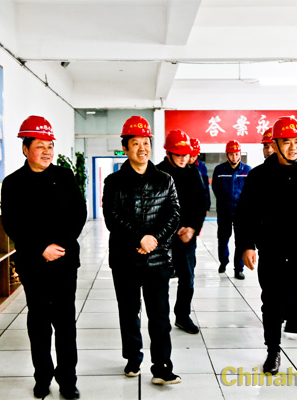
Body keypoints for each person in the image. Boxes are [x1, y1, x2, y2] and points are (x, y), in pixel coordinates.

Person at [235, 116, 297, 386]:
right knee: (272, 306)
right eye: (287, 142)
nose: (293, 147)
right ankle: (273, 353)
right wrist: (246, 245)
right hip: (273, 253)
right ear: (276, 144)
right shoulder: (259, 175)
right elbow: (244, 214)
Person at [1, 115, 86, 400]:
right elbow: (12, 224)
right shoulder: (13, 183)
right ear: (25, 149)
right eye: (40, 146)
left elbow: (79, 213)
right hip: (33, 263)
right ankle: (42, 377)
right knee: (38, 322)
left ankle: (68, 379)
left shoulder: (65, 176)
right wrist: (41, 248)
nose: (47, 151)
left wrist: (60, 245)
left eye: (50, 146)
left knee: (65, 323)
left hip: (64, 261)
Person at [102, 116, 182, 385]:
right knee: (129, 313)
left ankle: (162, 367)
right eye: (135, 143)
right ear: (125, 147)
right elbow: (112, 217)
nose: (142, 148)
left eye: (146, 143)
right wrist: (139, 238)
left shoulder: (165, 180)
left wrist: (154, 239)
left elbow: (174, 214)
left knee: (160, 316)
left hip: (158, 260)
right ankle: (133, 358)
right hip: (125, 259)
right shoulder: (114, 181)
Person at [158, 130, 207, 334]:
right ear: (168, 153)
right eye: (178, 155)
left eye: (186, 155)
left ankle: (182, 316)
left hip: (186, 236)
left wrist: (193, 228)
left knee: (187, 278)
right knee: (160, 280)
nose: (183, 158)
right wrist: (169, 230)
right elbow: (153, 208)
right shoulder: (157, 173)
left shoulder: (192, 173)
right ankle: (160, 319)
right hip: (162, 238)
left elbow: (201, 203)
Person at [212, 140, 251, 279]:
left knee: (240, 241)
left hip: (241, 212)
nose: (234, 157)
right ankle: (223, 262)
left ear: (240, 154)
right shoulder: (219, 170)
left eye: (236, 154)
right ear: (227, 155)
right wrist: (223, 201)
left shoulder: (247, 170)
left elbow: (250, 191)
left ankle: (238, 269)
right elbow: (215, 188)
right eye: (231, 154)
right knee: (223, 239)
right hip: (224, 211)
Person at [188, 137, 211, 213]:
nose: (191, 159)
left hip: (197, 203)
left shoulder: (201, 166)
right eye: (189, 156)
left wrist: (207, 206)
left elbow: (206, 187)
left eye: (194, 156)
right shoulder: (181, 165)